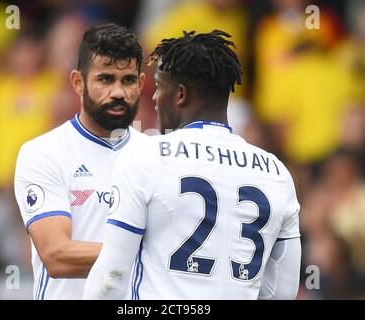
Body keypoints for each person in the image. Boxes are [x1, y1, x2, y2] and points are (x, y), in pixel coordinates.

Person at [83, 30, 301, 300]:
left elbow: (110, 279)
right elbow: (282, 291)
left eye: (160, 87)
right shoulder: (277, 172)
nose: (153, 98)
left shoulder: (145, 156)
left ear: (181, 94)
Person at [14, 23, 146, 299]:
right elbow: (57, 256)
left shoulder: (155, 155)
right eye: (106, 79)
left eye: (128, 80)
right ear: (78, 82)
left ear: (142, 84)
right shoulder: (44, 152)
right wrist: (151, 254)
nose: (119, 92)